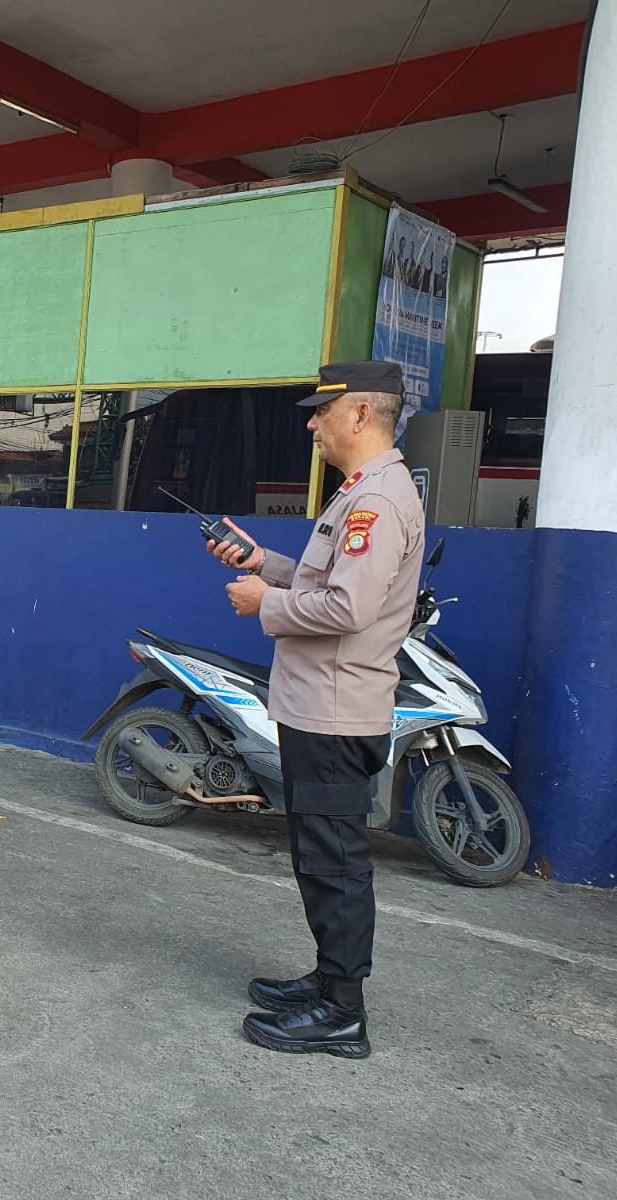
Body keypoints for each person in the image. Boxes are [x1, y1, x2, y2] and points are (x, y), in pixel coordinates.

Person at [210, 360, 425, 1059]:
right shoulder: (363, 492)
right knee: (319, 855)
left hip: (337, 711)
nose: (311, 425)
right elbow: (326, 581)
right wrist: (262, 563)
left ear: (360, 413)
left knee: (334, 862)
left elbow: (348, 607)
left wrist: (264, 603)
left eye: (321, 411)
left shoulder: (376, 501)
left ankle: (342, 1013)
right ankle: (329, 981)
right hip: (320, 707)